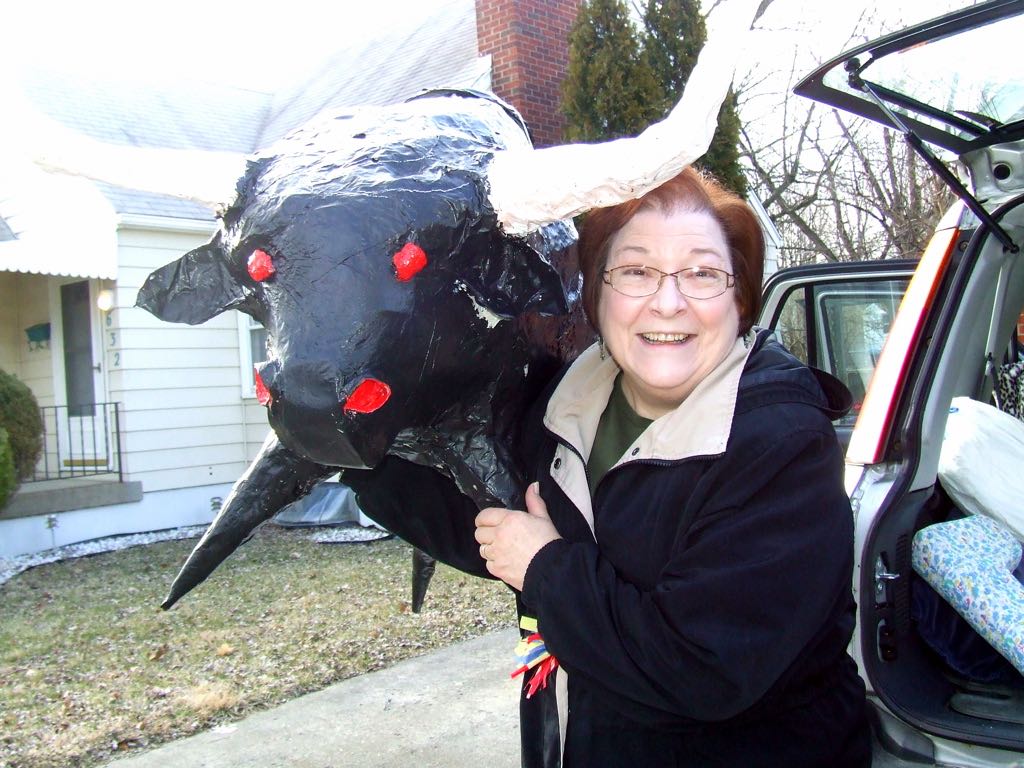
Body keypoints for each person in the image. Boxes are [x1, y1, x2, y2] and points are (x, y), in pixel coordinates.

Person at [472, 167, 873, 767]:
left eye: (703, 273)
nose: (668, 301)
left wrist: (544, 567)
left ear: (740, 299)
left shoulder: (782, 445)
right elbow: (479, 517)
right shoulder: (569, 405)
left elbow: (702, 670)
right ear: (596, 295)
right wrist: (345, 447)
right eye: (635, 271)